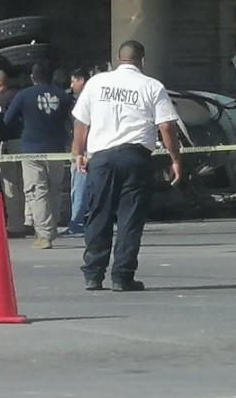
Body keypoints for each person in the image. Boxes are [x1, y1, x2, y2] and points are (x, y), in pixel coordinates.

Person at [72, 40, 183, 292]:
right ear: (142, 61)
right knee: (129, 218)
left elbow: (80, 121)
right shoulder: (152, 86)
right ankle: (122, 276)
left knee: (98, 215)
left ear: (118, 58)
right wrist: (175, 158)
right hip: (135, 158)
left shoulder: (96, 83)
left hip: (101, 159)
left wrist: (77, 153)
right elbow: (166, 126)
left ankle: (93, 274)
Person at [5, 60, 73, 249]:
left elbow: (8, 119)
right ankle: (52, 223)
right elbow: (72, 120)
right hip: (58, 148)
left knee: (36, 190)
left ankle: (45, 234)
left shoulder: (24, 95)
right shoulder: (63, 96)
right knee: (54, 188)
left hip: (32, 148)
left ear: (32, 77)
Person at [0, 70, 27, 237]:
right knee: (27, 185)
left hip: (10, 144)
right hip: (26, 144)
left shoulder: (2, 99)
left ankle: (15, 226)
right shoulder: (20, 95)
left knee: (11, 187)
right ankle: (29, 221)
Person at [67, 68, 91, 236]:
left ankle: (77, 221)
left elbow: (80, 126)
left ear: (81, 80)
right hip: (91, 147)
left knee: (79, 184)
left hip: (84, 149)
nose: (71, 85)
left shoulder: (83, 101)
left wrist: (78, 152)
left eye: (73, 81)